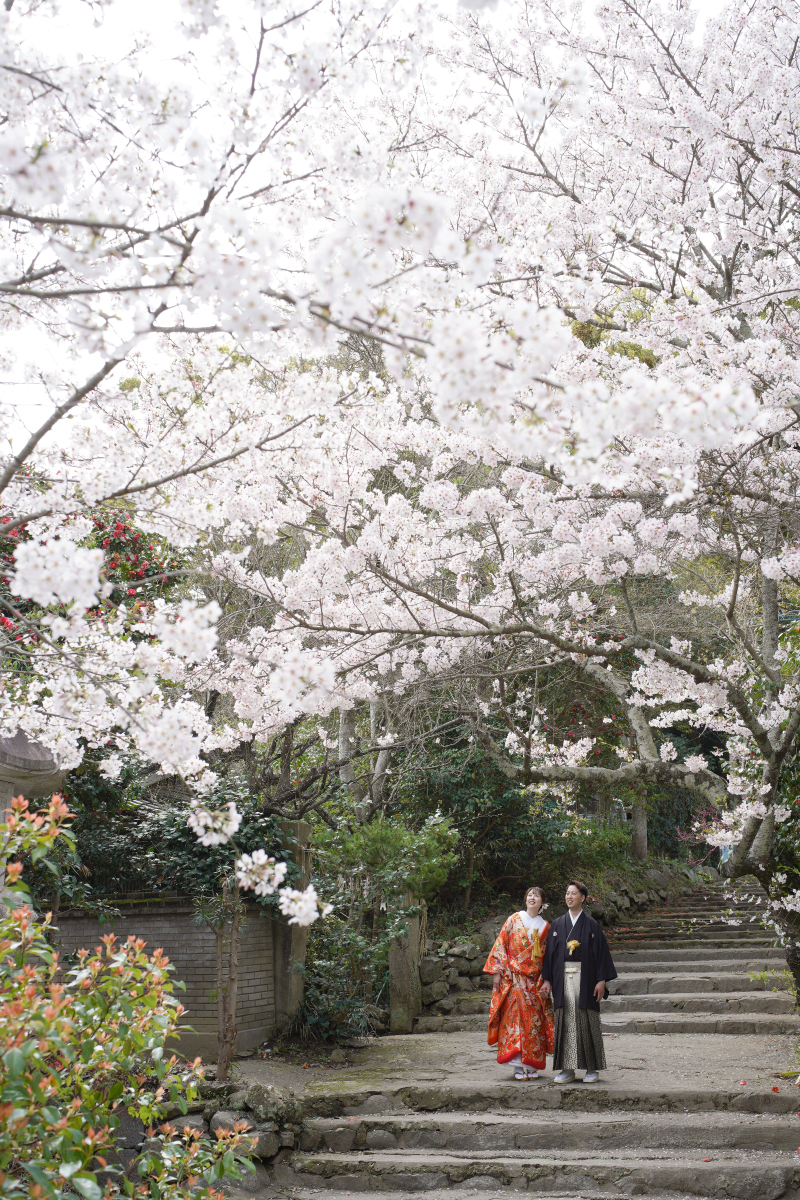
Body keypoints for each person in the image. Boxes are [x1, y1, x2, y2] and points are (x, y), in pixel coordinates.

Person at [540, 879, 617, 1084]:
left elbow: (600, 955)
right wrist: (546, 979)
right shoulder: (557, 924)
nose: (569, 897)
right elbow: (549, 956)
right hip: (562, 979)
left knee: (587, 1020)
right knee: (565, 1022)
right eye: (567, 893)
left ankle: (592, 1068)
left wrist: (601, 980)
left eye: (573, 893)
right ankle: (567, 1068)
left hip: (587, 979)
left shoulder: (591, 925)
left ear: (582, 898)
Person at [482, 886, 555, 1080]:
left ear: (542, 902)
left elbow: (548, 956)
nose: (532, 898)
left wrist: (546, 978)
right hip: (513, 978)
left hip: (534, 981)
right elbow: (501, 944)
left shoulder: (545, 926)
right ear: (525, 899)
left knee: (534, 1022)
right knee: (514, 1021)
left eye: (536, 895)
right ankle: (517, 1066)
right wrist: (497, 972)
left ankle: (532, 1065)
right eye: (529, 895)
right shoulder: (513, 919)